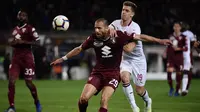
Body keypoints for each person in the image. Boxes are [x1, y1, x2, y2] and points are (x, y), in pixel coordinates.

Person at [51, 18, 171, 112]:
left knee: (104, 100)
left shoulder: (118, 36)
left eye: (99, 28)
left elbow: (140, 37)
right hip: (97, 73)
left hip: (113, 75)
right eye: (95, 28)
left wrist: (160, 41)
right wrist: (63, 58)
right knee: (83, 99)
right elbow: (79, 49)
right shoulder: (93, 38)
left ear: (107, 28)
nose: (96, 30)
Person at [109, 1, 151, 112]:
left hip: (138, 60)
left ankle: (148, 101)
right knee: (124, 78)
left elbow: (129, 49)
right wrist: (109, 30)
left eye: (127, 11)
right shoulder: (115, 23)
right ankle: (134, 107)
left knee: (139, 90)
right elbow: (107, 30)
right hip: (125, 59)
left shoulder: (135, 28)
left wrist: (115, 39)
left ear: (132, 14)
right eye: (123, 9)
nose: (123, 12)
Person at [5, 10, 42, 112]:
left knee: (28, 83)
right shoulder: (15, 30)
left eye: (24, 15)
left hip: (27, 58)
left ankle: (37, 102)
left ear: (27, 18)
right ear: (17, 17)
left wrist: (23, 42)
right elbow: (11, 42)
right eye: (20, 15)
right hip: (16, 58)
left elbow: (38, 42)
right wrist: (14, 42)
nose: (22, 17)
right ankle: (11, 107)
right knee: (11, 81)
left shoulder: (31, 29)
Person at [166, 21, 187, 97]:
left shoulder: (184, 37)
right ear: (173, 27)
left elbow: (186, 48)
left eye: (178, 26)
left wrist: (179, 48)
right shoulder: (170, 36)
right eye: (175, 26)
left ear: (180, 28)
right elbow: (168, 46)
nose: (176, 28)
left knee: (178, 75)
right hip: (171, 58)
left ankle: (177, 91)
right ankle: (171, 88)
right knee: (169, 72)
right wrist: (165, 52)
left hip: (179, 59)